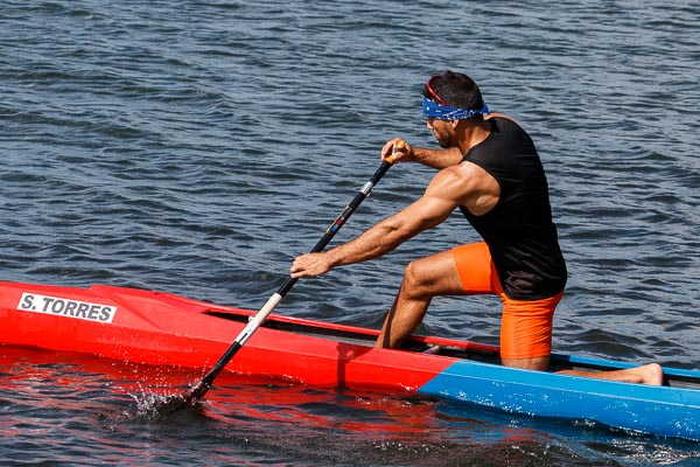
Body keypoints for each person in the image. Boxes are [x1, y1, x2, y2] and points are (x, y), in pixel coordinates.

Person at [290, 70, 662, 385]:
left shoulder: (465, 179)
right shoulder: (502, 125)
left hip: (530, 282)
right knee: (419, 276)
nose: (427, 125)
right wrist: (415, 154)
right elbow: (463, 153)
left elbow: (396, 230)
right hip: (502, 257)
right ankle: (381, 360)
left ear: (451, 120)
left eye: (430, 119)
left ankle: (637, 377)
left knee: (524, 387)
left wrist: (331, 259)